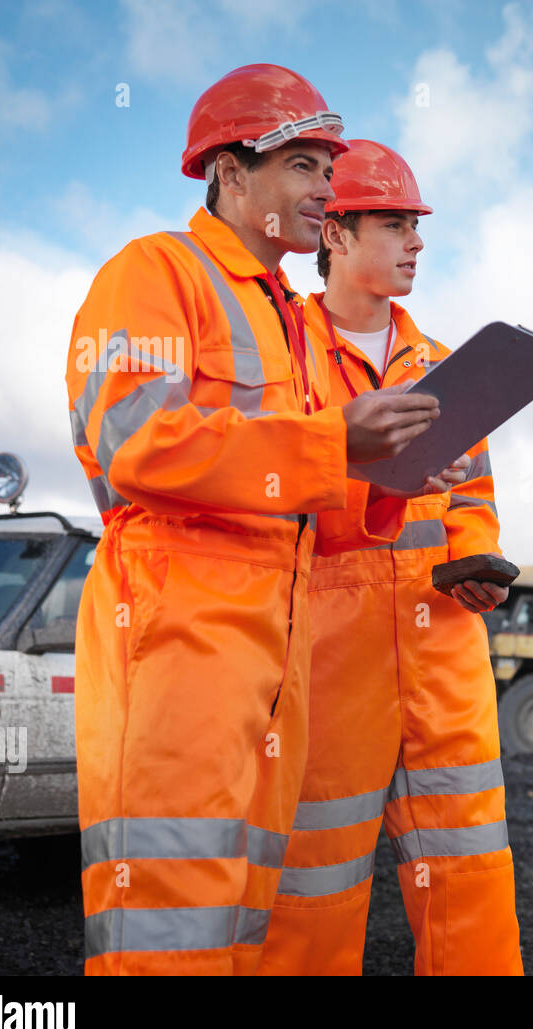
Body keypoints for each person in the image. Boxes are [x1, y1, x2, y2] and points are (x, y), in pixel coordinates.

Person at [65, 66, 463, 976]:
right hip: (176, 640)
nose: (328, 185)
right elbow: (130, 436)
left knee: (246, 930)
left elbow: (321, 504)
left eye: (328, 166)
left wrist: (394, 478)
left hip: (274, 660)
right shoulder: (156, 271)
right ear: (229, 174)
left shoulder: (289, 320)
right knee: (168, 926)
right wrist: (332, 442)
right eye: (302, 164)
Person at [257, 140, 523, 976]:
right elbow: (265, 486)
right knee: (313, 889)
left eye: (417, 226)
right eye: (396, 223)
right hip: (330, 658)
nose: (416, 243)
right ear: (335, 233)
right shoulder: (283, 350)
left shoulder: (444, 365)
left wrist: (477, 561)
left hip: (444, 653)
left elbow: (473, 499)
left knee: (472, 876)